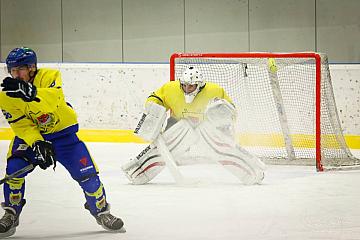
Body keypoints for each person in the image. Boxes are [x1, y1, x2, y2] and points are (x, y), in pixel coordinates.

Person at [0, 47, 125, 238]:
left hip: (65, 137)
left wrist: (30, 93)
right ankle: (11, 213)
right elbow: (21, 125)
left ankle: (101, 212)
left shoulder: (50, 76)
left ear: (32, 67)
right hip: (33, 138)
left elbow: (55, 101)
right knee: (14, 170)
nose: (15, 75)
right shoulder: (6, 95)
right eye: (12, 70)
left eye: (20, 69)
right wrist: (37, 142)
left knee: (89, 177)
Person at [122, 66, 265, 185]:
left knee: (222, 148)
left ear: (199, 85)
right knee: (165, 146)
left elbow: (231, 112)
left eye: (191, 86)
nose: (186, 88)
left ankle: (253, 171)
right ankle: (138, 172)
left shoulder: (214, 90)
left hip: (207, 129)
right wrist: (153, 109)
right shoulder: (170, 88)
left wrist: (221, 118)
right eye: (184, 85)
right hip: (179, 127)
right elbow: (156, 98)